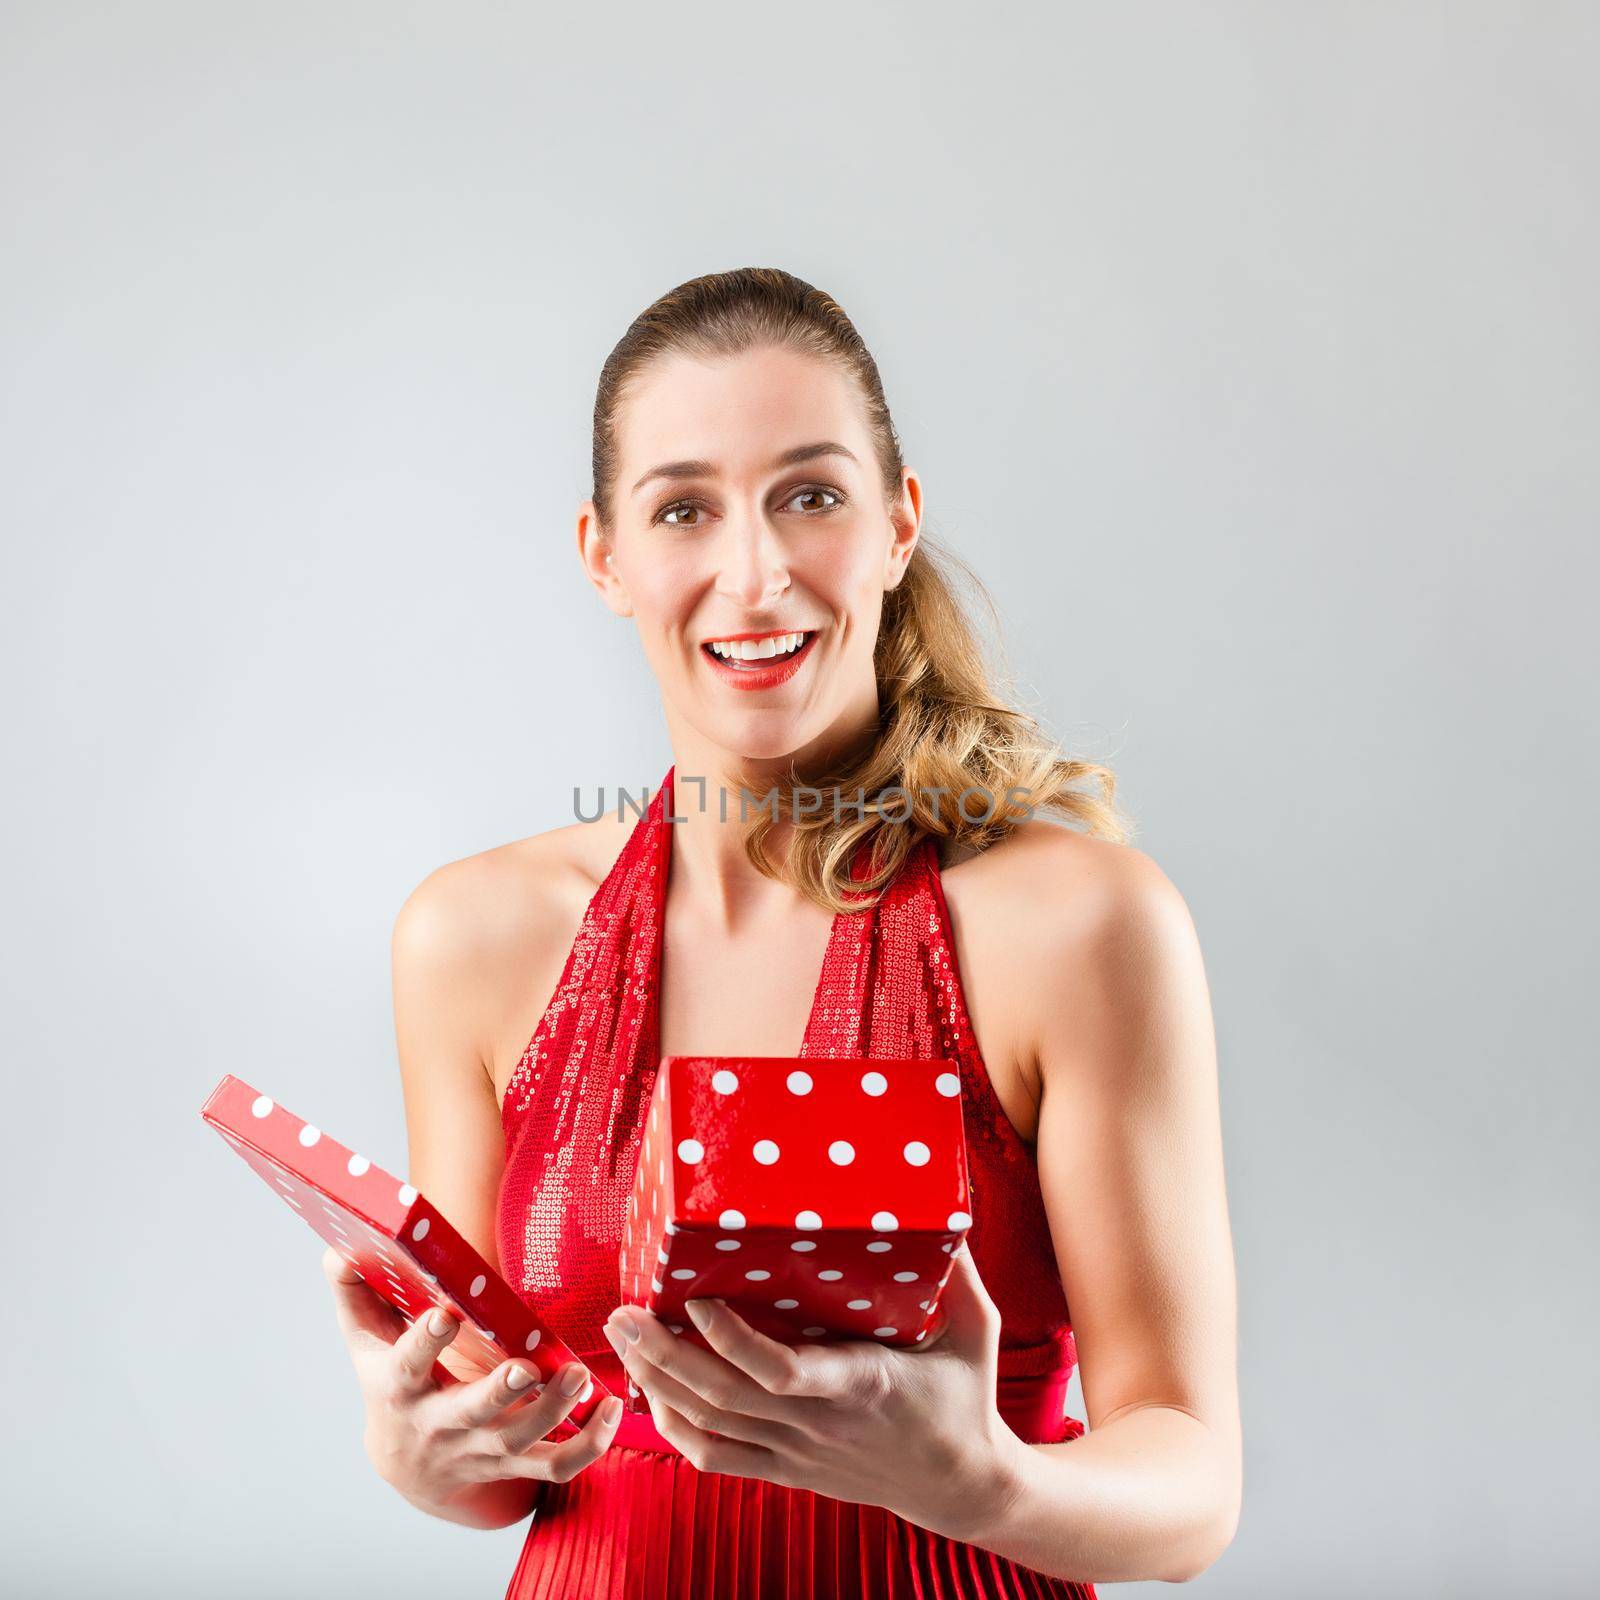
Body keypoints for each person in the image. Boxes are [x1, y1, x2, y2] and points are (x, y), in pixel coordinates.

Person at [323, 267, 1241, 1597]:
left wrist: (977, 1481)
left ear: (897, 523)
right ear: (604, 555)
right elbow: (509, 1462)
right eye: (683, 509)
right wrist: (421, 1452)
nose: (752, 575)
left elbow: (1193, 1485)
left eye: (810, 496)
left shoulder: (1079, 927)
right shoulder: (472, 941)